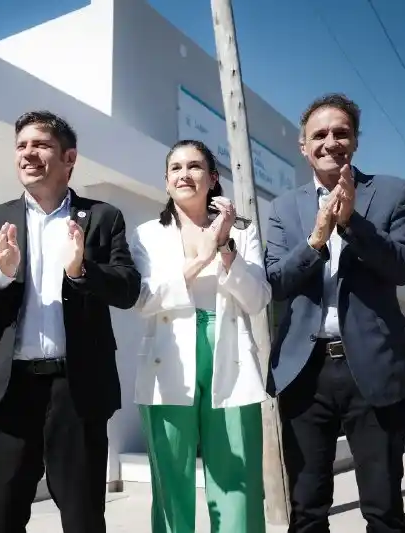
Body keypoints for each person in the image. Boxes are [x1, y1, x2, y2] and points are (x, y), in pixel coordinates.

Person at [0, 110, 141, 533]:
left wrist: (80, 271)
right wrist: (0, 274)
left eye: (40, 145)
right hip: (10, 389)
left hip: (76, 389)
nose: (28, 153)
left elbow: (127, 289)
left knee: (83, 517)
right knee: (4, 515)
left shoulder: (102, 217)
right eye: (21, 145)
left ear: (69, 157)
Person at [265, 93, 405, 533]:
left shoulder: (394, 193)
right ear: (304, 146)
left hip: (373, 368)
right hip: (304, 372)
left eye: (341, 132)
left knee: (384, 509)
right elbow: (276, 281)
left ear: (354, 141)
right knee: (308, 509)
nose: (330, 141)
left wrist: (353, 224)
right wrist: (317, 240)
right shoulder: (282, 208)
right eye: (320, 134)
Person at [130, 139, 271, 533]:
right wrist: (201, 257)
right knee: (170, 480)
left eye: (194, 167)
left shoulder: (243, 233)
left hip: (231, 357)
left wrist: (224, 246)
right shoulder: (146, 235)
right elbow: (143, 300)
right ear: (166, 180)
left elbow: (258, 298)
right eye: (175, 168)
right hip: (168, 358)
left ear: (213, 178)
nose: (184, 175)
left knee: (237, 479)